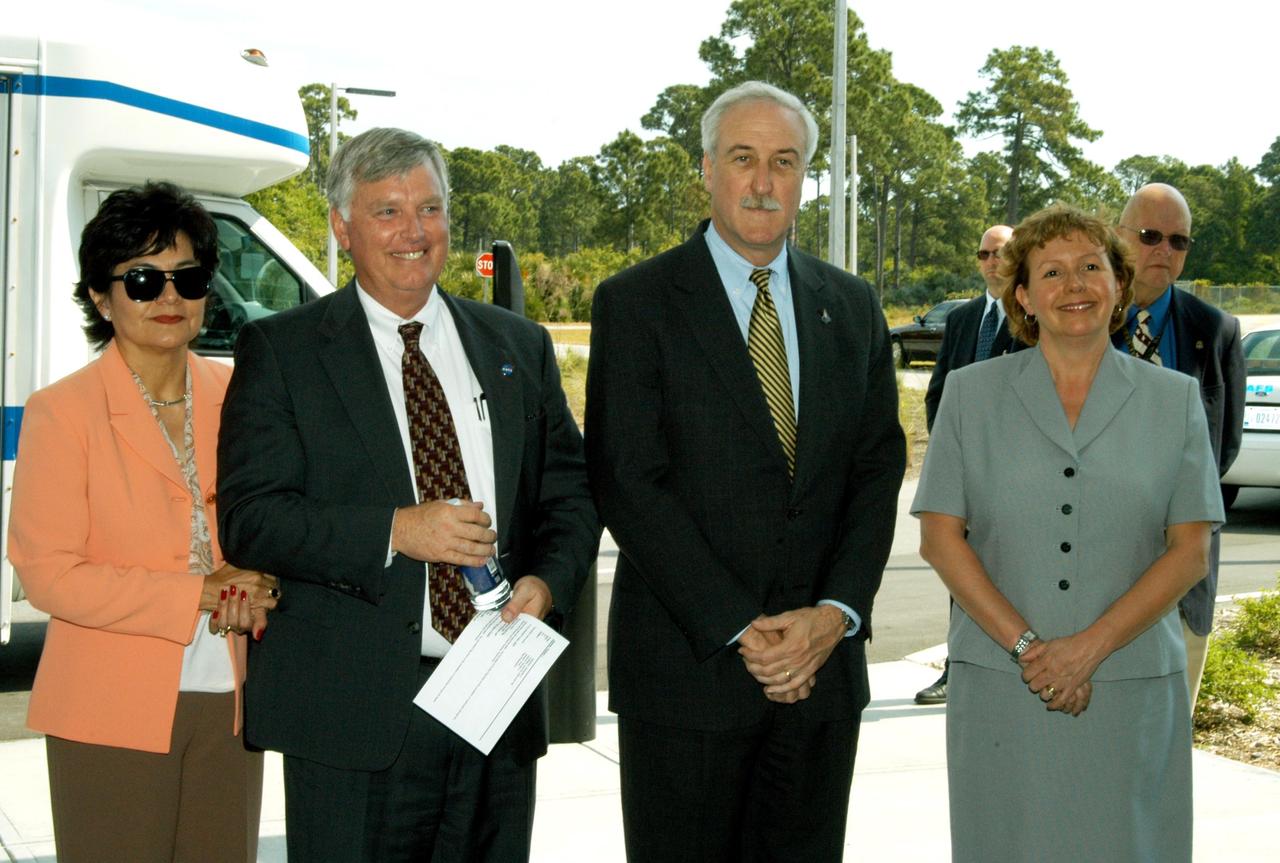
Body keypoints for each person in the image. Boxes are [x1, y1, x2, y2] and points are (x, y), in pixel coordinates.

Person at [216, 127, 599, 862]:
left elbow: (571, 494)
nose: (413, 231)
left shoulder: (517, 345)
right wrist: (394, 530)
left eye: (429, 209)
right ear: (342, 225)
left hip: (495, 703)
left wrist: (547, 584)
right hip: (354, 719)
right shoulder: (285, 352)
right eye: (387, 211)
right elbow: (252, 518)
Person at [587, 81, 905, 863]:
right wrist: (745, 629)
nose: (764, 181)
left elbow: (876, 471)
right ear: (706, 169)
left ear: (805, 177)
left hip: (821, 677)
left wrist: (832, 614)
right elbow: (628, 478)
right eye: (743, 158)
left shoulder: (854, 306)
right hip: (686, 679)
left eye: (784, 161)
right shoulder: (636, 303)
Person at [913, 203, 1223, 862]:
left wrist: (1087, 649)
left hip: (1130, 689)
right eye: (1050, 271)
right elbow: (941, 539)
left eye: (1090, 267)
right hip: (1002, 688)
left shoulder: (1173, 401)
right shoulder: (970, 396)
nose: (1073, 285)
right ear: (1021, 293)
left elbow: (1190, 550)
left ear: (1117, 283)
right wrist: (1031, 647)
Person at [8, 182, 279, 862]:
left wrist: (263, 585)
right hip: (108, 706)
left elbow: (272, 527)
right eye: (142, 279)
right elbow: (48, 574)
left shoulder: (240, 394)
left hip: (231, 701)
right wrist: (200, 593)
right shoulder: (61, 411)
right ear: (101, 296)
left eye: (186, 278)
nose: (169, 297)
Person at [1113, 182, 1245, 708]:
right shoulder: (1079, 315)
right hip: (1089, 572)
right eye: (1149, 236)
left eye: (1178, 241)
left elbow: (1224, 444)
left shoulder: (1214, 330)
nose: (1164, 251)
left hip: (1183, 575)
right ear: (1118, 237)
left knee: (1169, 742)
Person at [917, 223, 1021, 705]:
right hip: (963, 472)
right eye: (984, 254)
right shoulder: (962, 320)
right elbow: (939, 391)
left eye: (1001, 253)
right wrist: (948, 455)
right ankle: (956, 668)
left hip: (1013, 471)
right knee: (960, 570)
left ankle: (1011, 663)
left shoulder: (1034, 317)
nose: (992, 262)